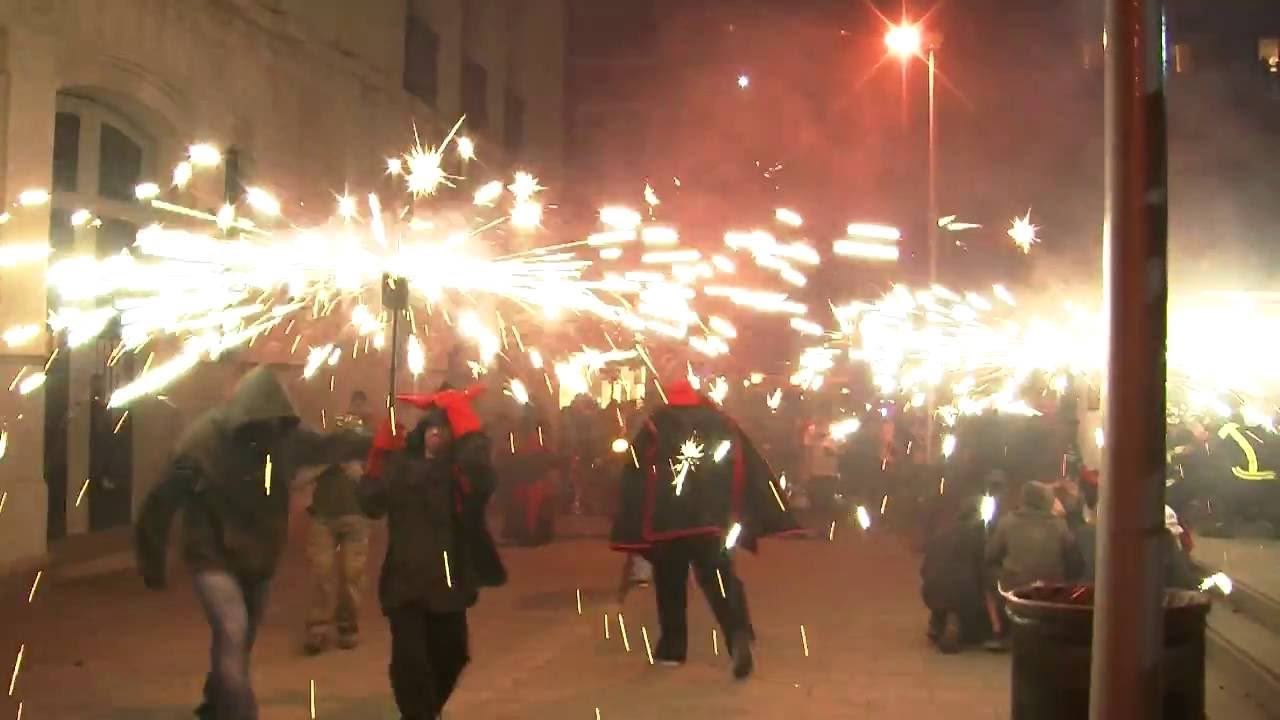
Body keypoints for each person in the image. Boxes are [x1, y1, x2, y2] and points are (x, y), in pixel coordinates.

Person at [135, 366, 370, 720]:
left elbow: (328, 446)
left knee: (239, 641)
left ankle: (217, 704)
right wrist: (152, 560)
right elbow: (161, 500)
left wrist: (379, 443)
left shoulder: (285, 435)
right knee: (232, 628)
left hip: (259, 555)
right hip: (210, 552)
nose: (267, 435)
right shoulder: (205, 441)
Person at [611, 355, 800, 679]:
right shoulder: (722, 422)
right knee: (721, 582)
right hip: (711, 522)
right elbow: (749, 465)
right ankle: (737, 634)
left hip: (667, 525)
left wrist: (629, 519)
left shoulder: (656, 423)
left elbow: (634, 470)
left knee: (670, 583)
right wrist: (756, 510)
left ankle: (672, 648)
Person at [359, 384, 506, 720]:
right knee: (410, 663)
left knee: (453, 655)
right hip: (404, 581)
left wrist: (462, 415)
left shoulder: (460, 476)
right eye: (432, 426)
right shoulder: (401, 467)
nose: (437, 433)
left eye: (445, 427)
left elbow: (481, 475)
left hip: (448, 581)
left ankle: (428, 710)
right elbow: (370, 504)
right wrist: (379, 457)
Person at [304, 390, 373, 654]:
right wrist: (327, 463)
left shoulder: (369, 447)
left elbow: (380, 483)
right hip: (323, 517)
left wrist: (358, 473)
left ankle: (347, 626)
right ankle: (318, 628)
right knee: (321, 573)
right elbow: (299, 479)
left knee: (352, 575)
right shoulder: (322, 447)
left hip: (356, 517)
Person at [921, 498, 991, 653]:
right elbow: (983, 566)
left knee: (943, 596)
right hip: (965, 594)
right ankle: (965, 628)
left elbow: (924, 569)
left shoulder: (940, 534)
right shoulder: (978, 536)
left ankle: (937, 623)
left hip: (932, 592)